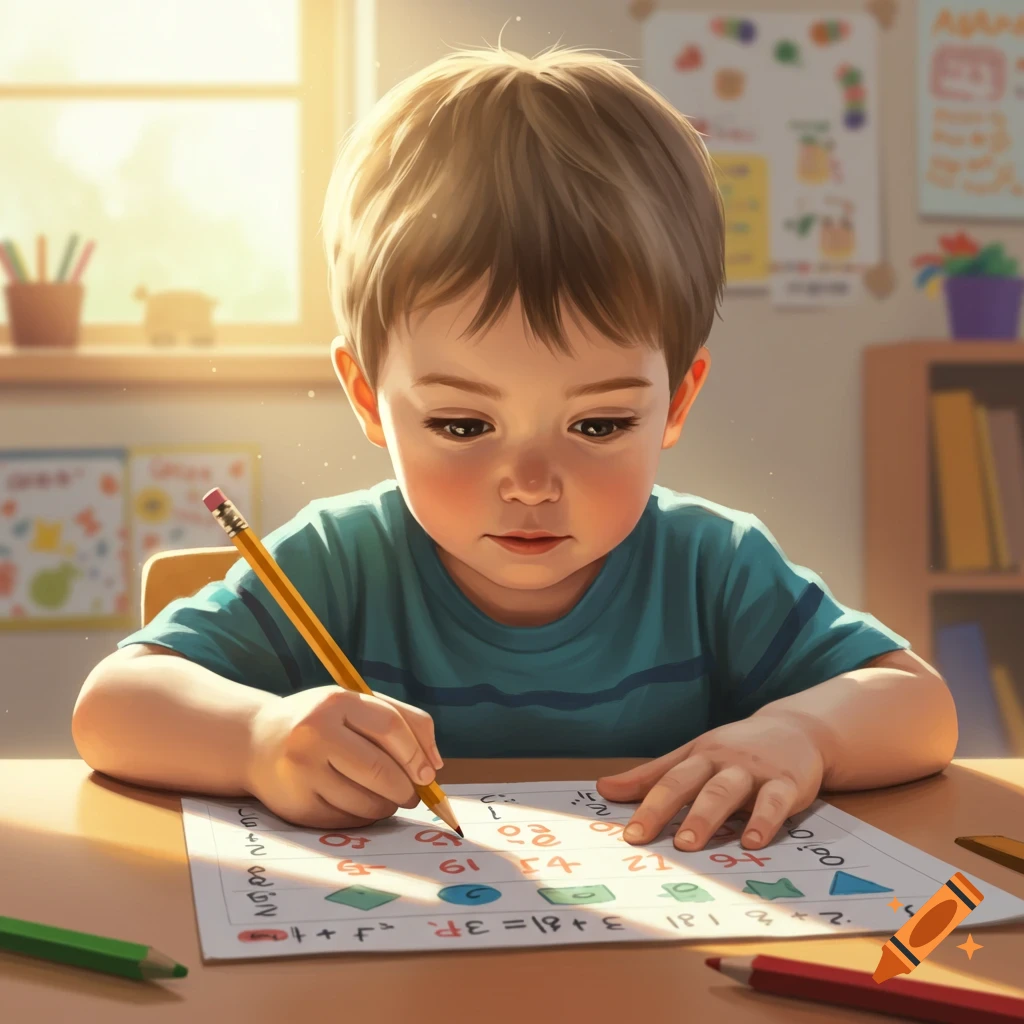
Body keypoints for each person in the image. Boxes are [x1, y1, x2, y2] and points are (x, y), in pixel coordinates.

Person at [72, 45, 956, 854]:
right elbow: (112, 708)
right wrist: (259, 741)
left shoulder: (713, 568)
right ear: (367, 397)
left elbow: (920, 708)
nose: (531, 485)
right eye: (463, 426)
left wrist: (803, 734)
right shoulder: (339, 563)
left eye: (599, 426)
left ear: (677, 399)